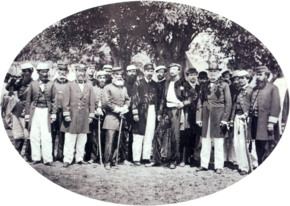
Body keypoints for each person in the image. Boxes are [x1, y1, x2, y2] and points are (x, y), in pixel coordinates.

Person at [196, 62, 232, 174]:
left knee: (218, 142)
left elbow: (228, 103)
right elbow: (200, 102)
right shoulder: (204, 85)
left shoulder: (224, 85)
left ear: (218, 72)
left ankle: (219, 166)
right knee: (205, 141)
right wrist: (199, 118)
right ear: (208, 72)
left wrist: (225, 119)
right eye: (210, 72)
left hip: (218, 115)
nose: (212, 74)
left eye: (215, 72)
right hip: (206, 115)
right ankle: (204, 164)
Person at [157, 63, 191, 169]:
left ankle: (173, 160)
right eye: (170, 69)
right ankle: (157, 160)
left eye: (174, 69)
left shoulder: (184, 83)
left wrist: (183, 103)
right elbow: (163, 98)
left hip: (176, 111)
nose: (172, 71)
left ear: (178, 70)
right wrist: (160, 112)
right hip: (166, 111)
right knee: (158, 133)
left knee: (175, 136)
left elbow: (192, 96)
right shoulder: (167, 83)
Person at [61, 64, 95, 168]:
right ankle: (67, 159)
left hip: (84, 116)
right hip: (72, 115)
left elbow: (92, 102)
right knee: (70, 138)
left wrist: (91, 115)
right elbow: (65, 101)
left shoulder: (89, 86)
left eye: (83, 71)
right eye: (79, 71)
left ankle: (79, 158)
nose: (81, 73)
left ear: (85, 72)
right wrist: (66, 114)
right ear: (76, 72)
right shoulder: (70, 85)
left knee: (82, 138)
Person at [25, 62, 57, 166]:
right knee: (34, 135)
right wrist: (27, 115)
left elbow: (55, 100)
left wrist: (53, 113)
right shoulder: (33, 84)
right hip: (35, 111)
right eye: (42, 72)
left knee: (46, 135)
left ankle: (47, 159)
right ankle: (36, 157)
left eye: (46, 72)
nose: (44, 74)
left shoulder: (52, 84)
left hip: (46, 111)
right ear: (38, 72)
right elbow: (28, 100)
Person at [248, 66, 280, 165]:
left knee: (267, 146)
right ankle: (259, 163)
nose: (258, 77)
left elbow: (276, 106)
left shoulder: (273, 88)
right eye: (256, 75)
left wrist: (271, 123)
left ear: (266, 75)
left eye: (260, 75)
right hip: (255, 121)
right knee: (258, 145)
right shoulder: (254, 89)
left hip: (266, 122)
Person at [230, 70, 258, 175]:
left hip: (247, 119)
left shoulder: (251, 90)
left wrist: (247, 115)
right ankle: (243, 165)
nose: (240, 80)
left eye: (243, 78)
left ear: (247, 78)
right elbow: (234, 106)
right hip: (237, 118)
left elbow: (254, 105)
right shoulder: (238, 91)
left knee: (249, 143)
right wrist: (232, 119)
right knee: (238, 143)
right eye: (239, 78)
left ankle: (252, 164)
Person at [102, 67, 130, 170]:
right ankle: (107, 161)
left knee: (119, 139)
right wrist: (118, 109)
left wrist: (125, 107)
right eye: (116, 74)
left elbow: (127, 99)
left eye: (120, 75)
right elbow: (106, 103)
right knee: (110, 140)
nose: (119, 76)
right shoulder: (107, 87)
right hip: (111, 117)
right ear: (112, 76)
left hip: (121, 118)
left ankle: (114, 159)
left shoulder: (124, 88)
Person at [131, 63, 158, 166]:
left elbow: (157, 99)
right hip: (141, 111)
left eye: (151, 71)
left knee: (149, 134)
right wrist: (135, 113)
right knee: (138, 134)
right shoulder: (138, 83)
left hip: (152, 110)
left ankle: (146, 157)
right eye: (148, 70)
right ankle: (136, 158)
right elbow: (134, 99)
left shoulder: (155, 84)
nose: (149, 73)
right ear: (144, 71)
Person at [6, 62, 33, 161]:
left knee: (28, 133)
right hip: (18, 108)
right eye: (23, 71)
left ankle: (27, 154)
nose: (24, 73)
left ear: (31, 72)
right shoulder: (19, 82)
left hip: (27, 109)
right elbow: (8, 88)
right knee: (18, 133)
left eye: (27, 71)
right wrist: (12, 80)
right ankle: (18, 152)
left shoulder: (33, 84)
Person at [85, 70, 107, 164]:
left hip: (106, 116)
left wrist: (103, 110)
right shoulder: (93, 88)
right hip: (95, 116)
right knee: (94, 137)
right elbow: (89, 102)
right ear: (97, 79)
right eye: (100, 78)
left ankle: (103, 156)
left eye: (104, 78)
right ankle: (93, 156)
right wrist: (94, 111)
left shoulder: (108, 88)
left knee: (105, 137)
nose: (102, 80)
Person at [180, 68, 199, 167]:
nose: (192, 76)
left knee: (196, 136)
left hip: (198, 115)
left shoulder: (200, 87)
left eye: (194, 74)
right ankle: (183, 158)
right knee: (185, 135)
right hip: (187, 113)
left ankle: (194, 158)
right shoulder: (183, 87)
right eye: (190, 75)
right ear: (187, 76)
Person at [51, 62, 69, 162]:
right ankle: (51, 155)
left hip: (65, 112)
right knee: (53, 133)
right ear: (58, 71)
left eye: (64, 71)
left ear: (67, 72)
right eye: (60, 70)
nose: (62, 72)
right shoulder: (52, 83)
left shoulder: (70, 84)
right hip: (54, 112)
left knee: (63, 134)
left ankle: (61, 155)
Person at [224, 70, 240, 170]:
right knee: (225, 138)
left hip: (235, 116)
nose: (237, 81)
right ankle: (225, 159)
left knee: (234, 139)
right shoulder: (229, 88)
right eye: (235, 79)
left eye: (239, 79)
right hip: (227, 115)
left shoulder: (241, 90)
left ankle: (234, 159)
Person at [123, 64, 139, 162]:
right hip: (125, 112)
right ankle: (123, 156)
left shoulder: (139, 83)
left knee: (134, 134)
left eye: (134, 71)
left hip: (136, 112)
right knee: (124, 134)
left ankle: (132, 156)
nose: (132, 73)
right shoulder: (123, 84)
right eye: (130, 71)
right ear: (127, 73)